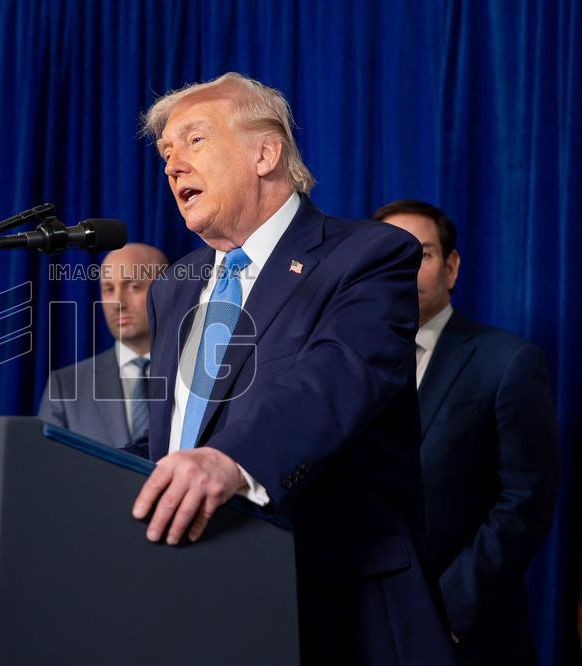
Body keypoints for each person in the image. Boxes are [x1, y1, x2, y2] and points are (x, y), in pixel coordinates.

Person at [131, 73, 455, 664]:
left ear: (265, 154)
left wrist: (229, 460)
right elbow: (175, 438)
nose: (173, 166)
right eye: (165, 154)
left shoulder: (368, 255)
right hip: (195, 600)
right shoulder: (173, 287)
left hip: (334, 606)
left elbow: (337, 377)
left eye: (194, 140)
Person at [376, 199, 559, 665]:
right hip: (365, 626)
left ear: (451, 267)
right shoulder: (346, 364)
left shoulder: (508, 362)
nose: (404, 269)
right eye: (388, 256)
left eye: (421, 254)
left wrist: (448, 613)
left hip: (463, 636)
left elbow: (524, 503)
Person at [38, 243, 168, 448]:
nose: (118, 303)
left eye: (133, 287)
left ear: (166, 291)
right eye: (108, 289)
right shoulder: (65, 387)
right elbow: (46, 463)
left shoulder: (197, 375)